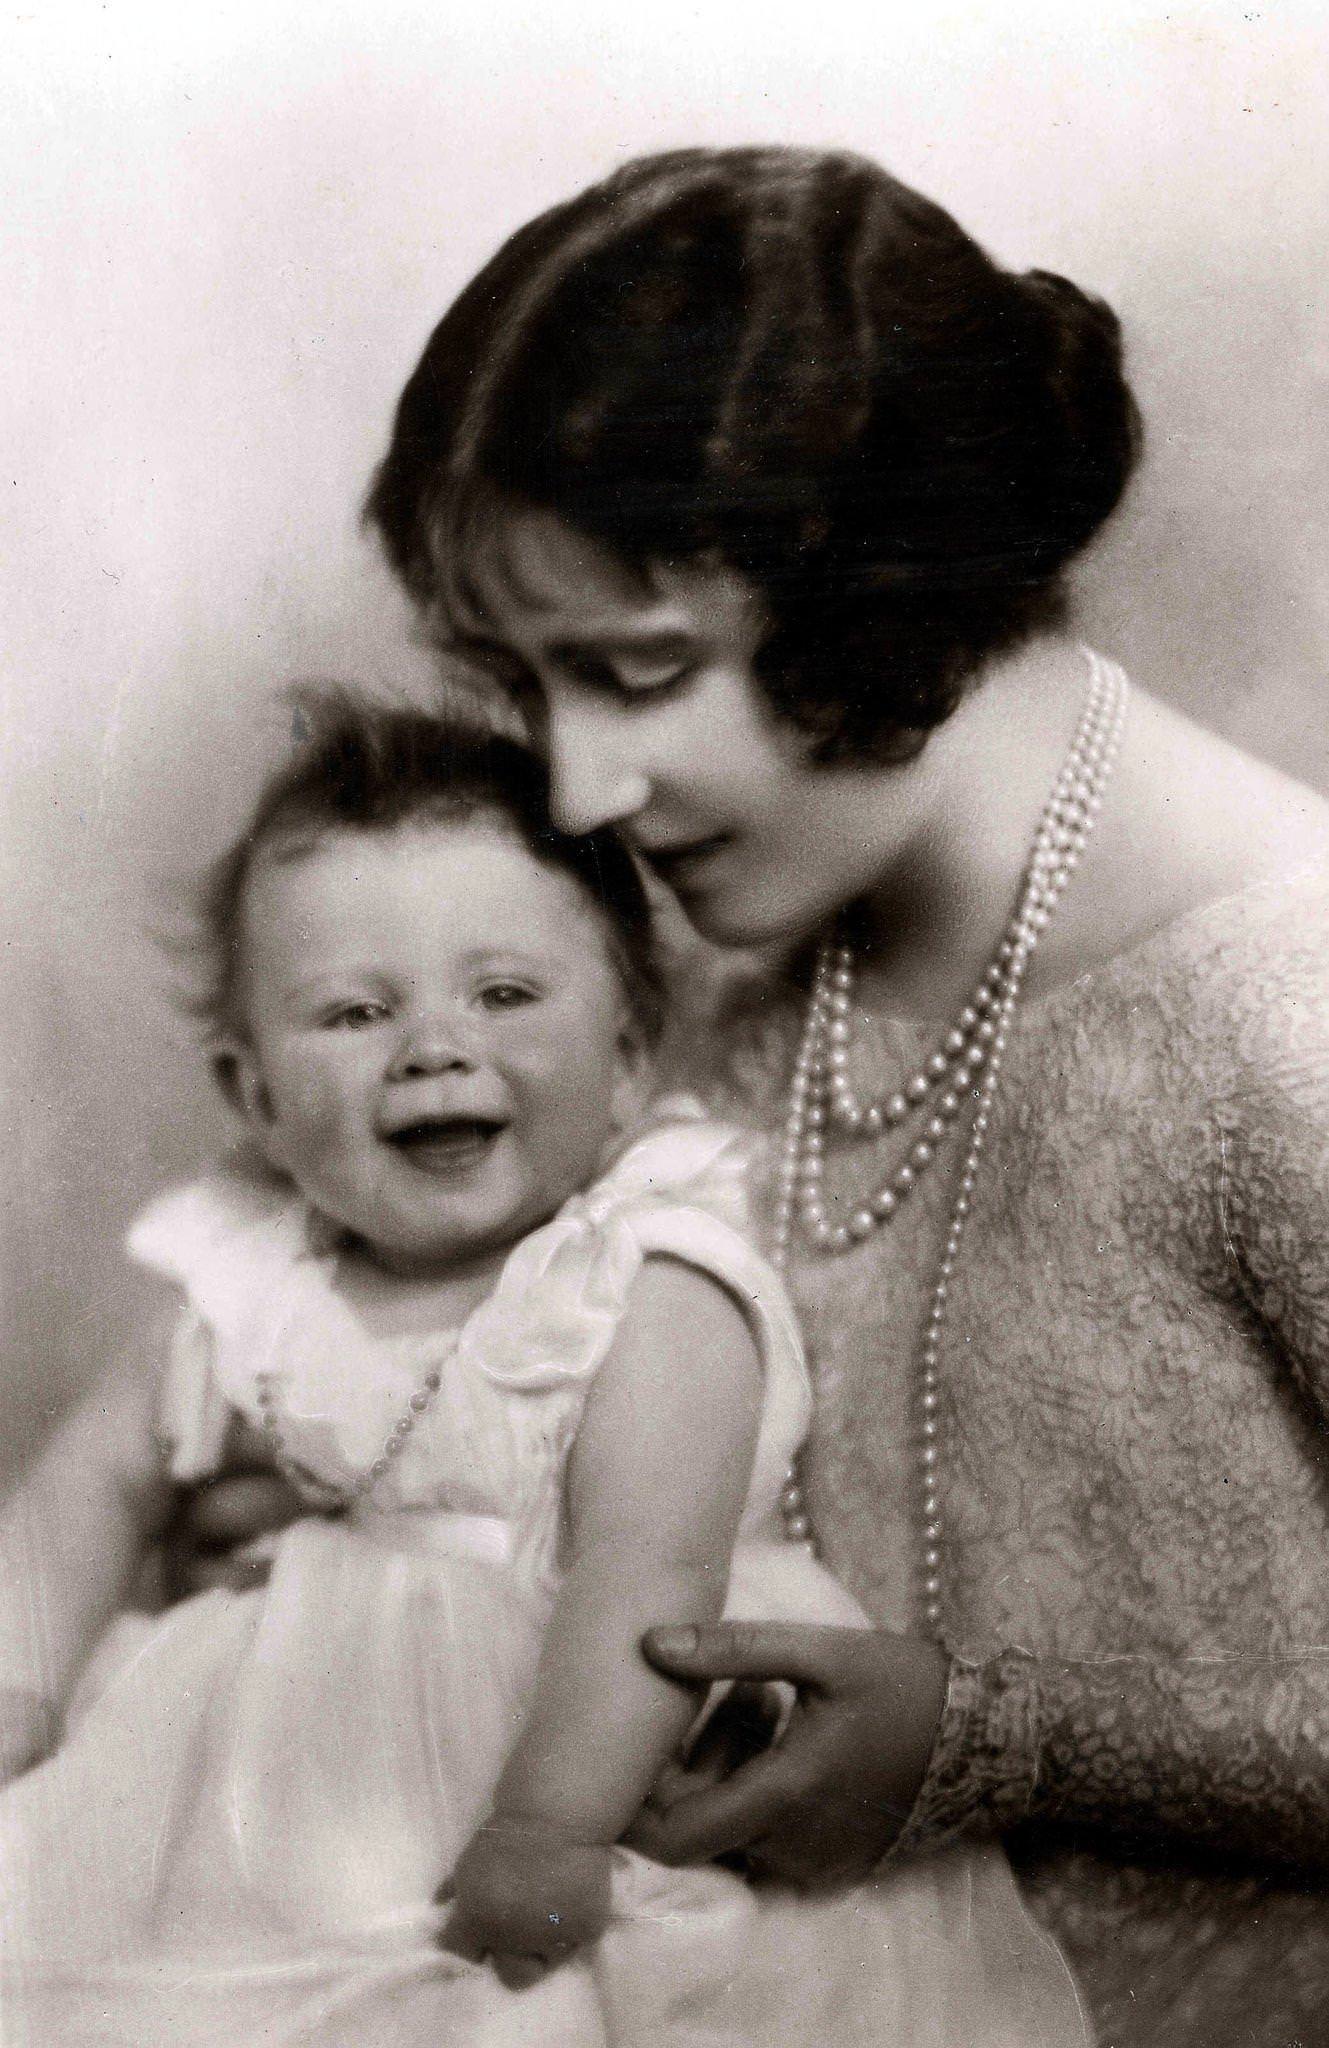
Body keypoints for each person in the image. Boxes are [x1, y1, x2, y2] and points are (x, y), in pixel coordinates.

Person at [0, 689, 1086, 2047]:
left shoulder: (643, 1275)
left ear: (629, 1059)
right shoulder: (248, 1281)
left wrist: (550, 1825)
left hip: (586, 1752)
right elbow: (81, 1487)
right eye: (351, 1012)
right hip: (280, 1779)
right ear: (256, 1098)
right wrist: (22, 1683)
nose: (434, 1046)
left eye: (503, 993)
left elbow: (649, 1568)